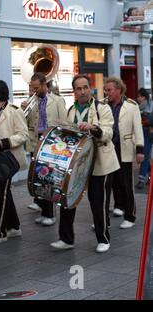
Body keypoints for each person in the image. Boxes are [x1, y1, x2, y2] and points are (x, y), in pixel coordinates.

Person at [50, 75, 119, 253]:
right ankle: (66, 239)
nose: (83, 91)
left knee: (98, 202)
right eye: (79, 88)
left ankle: (103, 238)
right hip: (78, 163)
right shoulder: (71, 110)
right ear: (74, 91)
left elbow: (109, 132)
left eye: (85, 87)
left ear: (90, 88)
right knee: (67, 198)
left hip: (101, 162)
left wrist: (93, 128)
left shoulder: (102, 108)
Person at [0, 80, 28, 245]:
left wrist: (4, 143)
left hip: (9, 159)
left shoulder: (14, 111)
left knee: (0, 194)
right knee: (4, 193)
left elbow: (23, 135)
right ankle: (14, 227)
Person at [25, 72, 67, 226]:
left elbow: (64, 123)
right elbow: (27, 122)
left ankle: (50, 214)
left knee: (48, 179)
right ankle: (44, 211)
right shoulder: (32, 100)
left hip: (51, 143)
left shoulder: (57, 100)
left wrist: (60, 145)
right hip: (36, 143)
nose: (34, 90)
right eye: (32, 88)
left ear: (44, 85)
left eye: (36, 88)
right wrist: (24, 110)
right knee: (38, 178)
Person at [104, 77, 144, 229]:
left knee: (126, 183)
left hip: (125, 148)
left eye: (110, 90)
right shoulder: (103, 106)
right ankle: (118, 206)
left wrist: (140, 150)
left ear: (119, 90)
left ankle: (130, 215)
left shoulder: (131, 105)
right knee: (112, 182)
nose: (107, 92)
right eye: (106, 90)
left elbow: (138, 130)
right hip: (108, 149)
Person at [136, 88, 153, 189]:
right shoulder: (139, 106)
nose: (138, 98)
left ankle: (141, 180)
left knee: (144, 155)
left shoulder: (148, 105)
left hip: (147, 133)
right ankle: (151, 175)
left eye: (139, 96)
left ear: (144, 97)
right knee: (145, 155)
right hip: (143, 133)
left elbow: (149, 120)